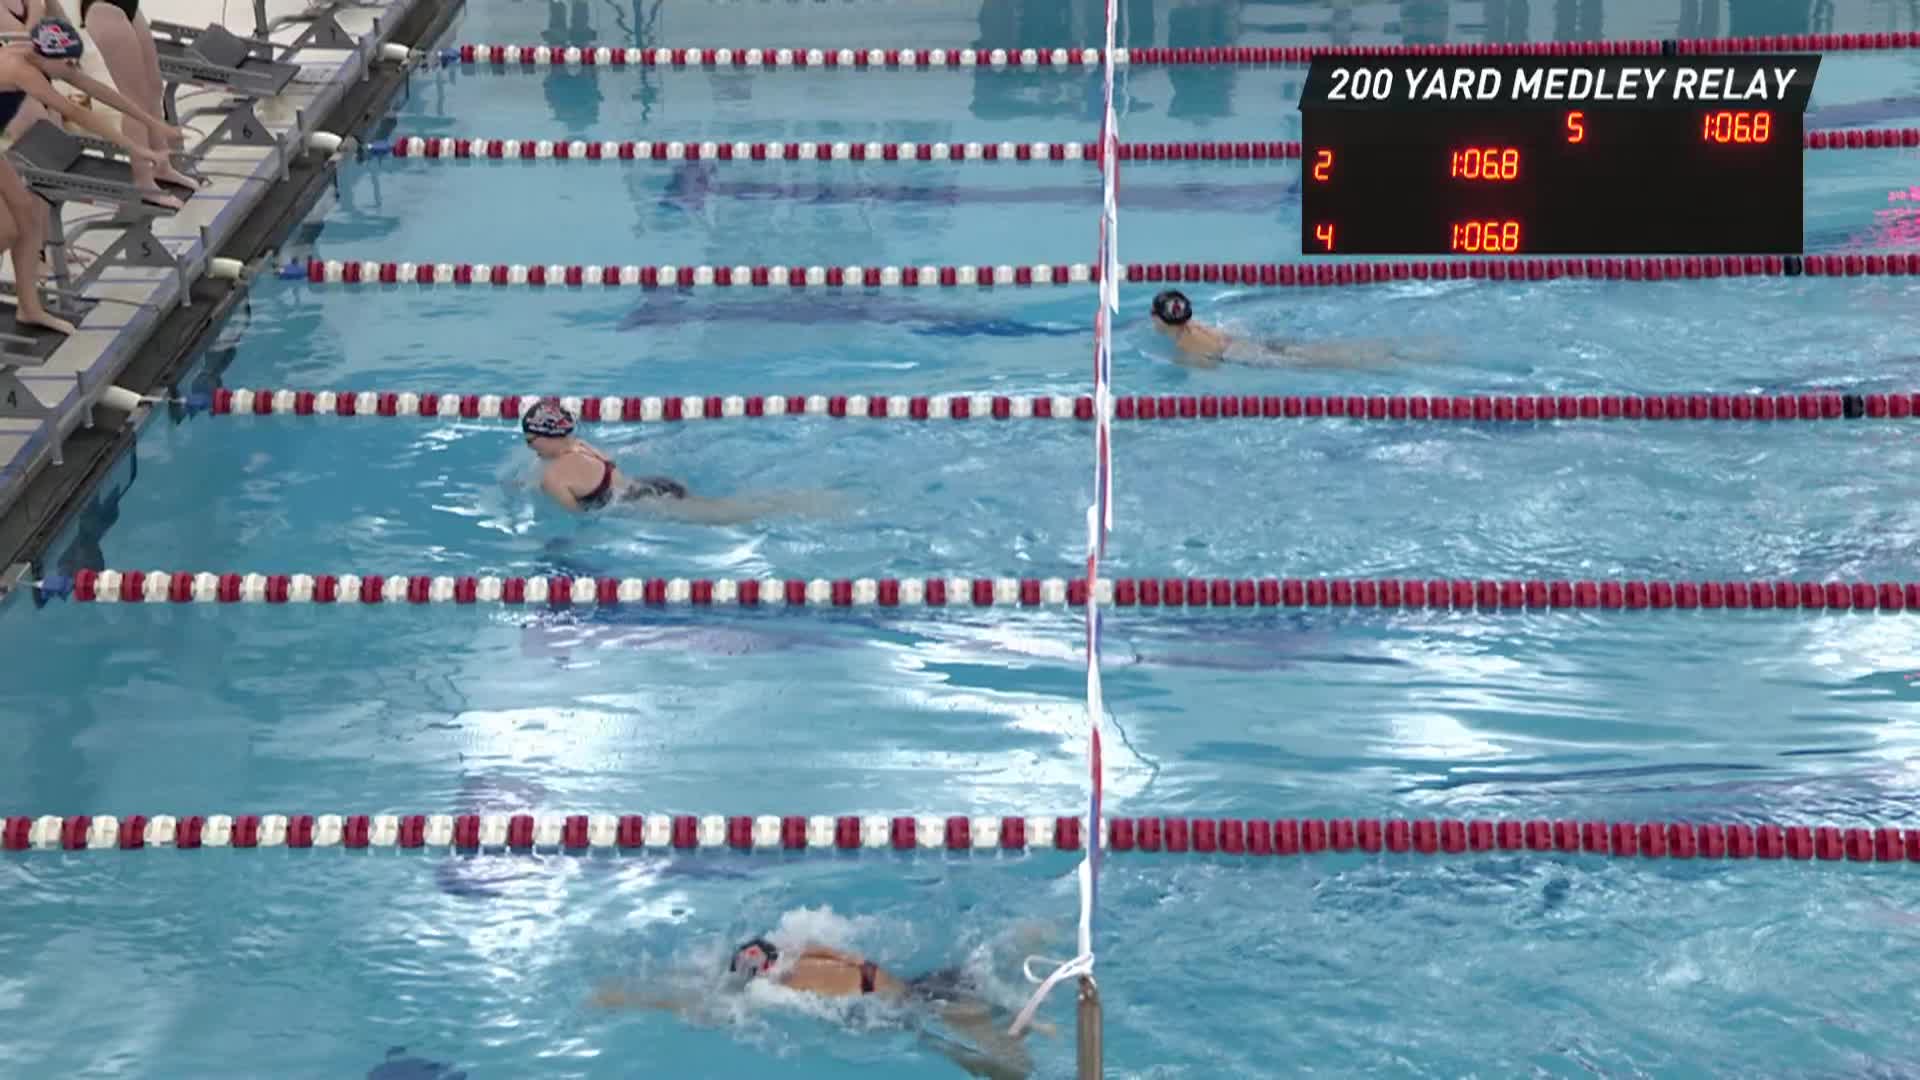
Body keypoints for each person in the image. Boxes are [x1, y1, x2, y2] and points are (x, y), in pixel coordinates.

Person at [593, 937, 1048, 1080]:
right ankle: (1035, 943)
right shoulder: (811, 955)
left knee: (1004, 1063)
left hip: (923, 1001)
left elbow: (705, 1002)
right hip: (925, 986)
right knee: (994, 1016)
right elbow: (840, 951)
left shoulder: (779, 989)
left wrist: (631, 997)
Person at [0, 19, 180, 334]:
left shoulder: (38, 52)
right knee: (7, 230)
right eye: (67, 62)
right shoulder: (21, 70)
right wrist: (138, 148)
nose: (72, 67)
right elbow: (78, 112)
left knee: (27, 218)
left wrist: (153, 123)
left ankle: (29, 309)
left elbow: (97, 89)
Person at [520, 397, 836, 524]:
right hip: (652, 484)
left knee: (734, 514)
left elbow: (582, 519)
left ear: (546, 437)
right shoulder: (582, 445)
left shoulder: (553, 479)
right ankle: (800, 500)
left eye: (531, 440)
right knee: (721, 504)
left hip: (644, 504)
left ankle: (804, 506)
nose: (529, 446)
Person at [1149, 288, 1394, 369]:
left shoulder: (1183, 347)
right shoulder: (1195, 324)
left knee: (1324, 362)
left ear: (1160, 319)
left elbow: (1211, 371)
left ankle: (1378, 359)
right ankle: (1383, 352)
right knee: (1321, 352)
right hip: (1248, 343)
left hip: (1243, 355)